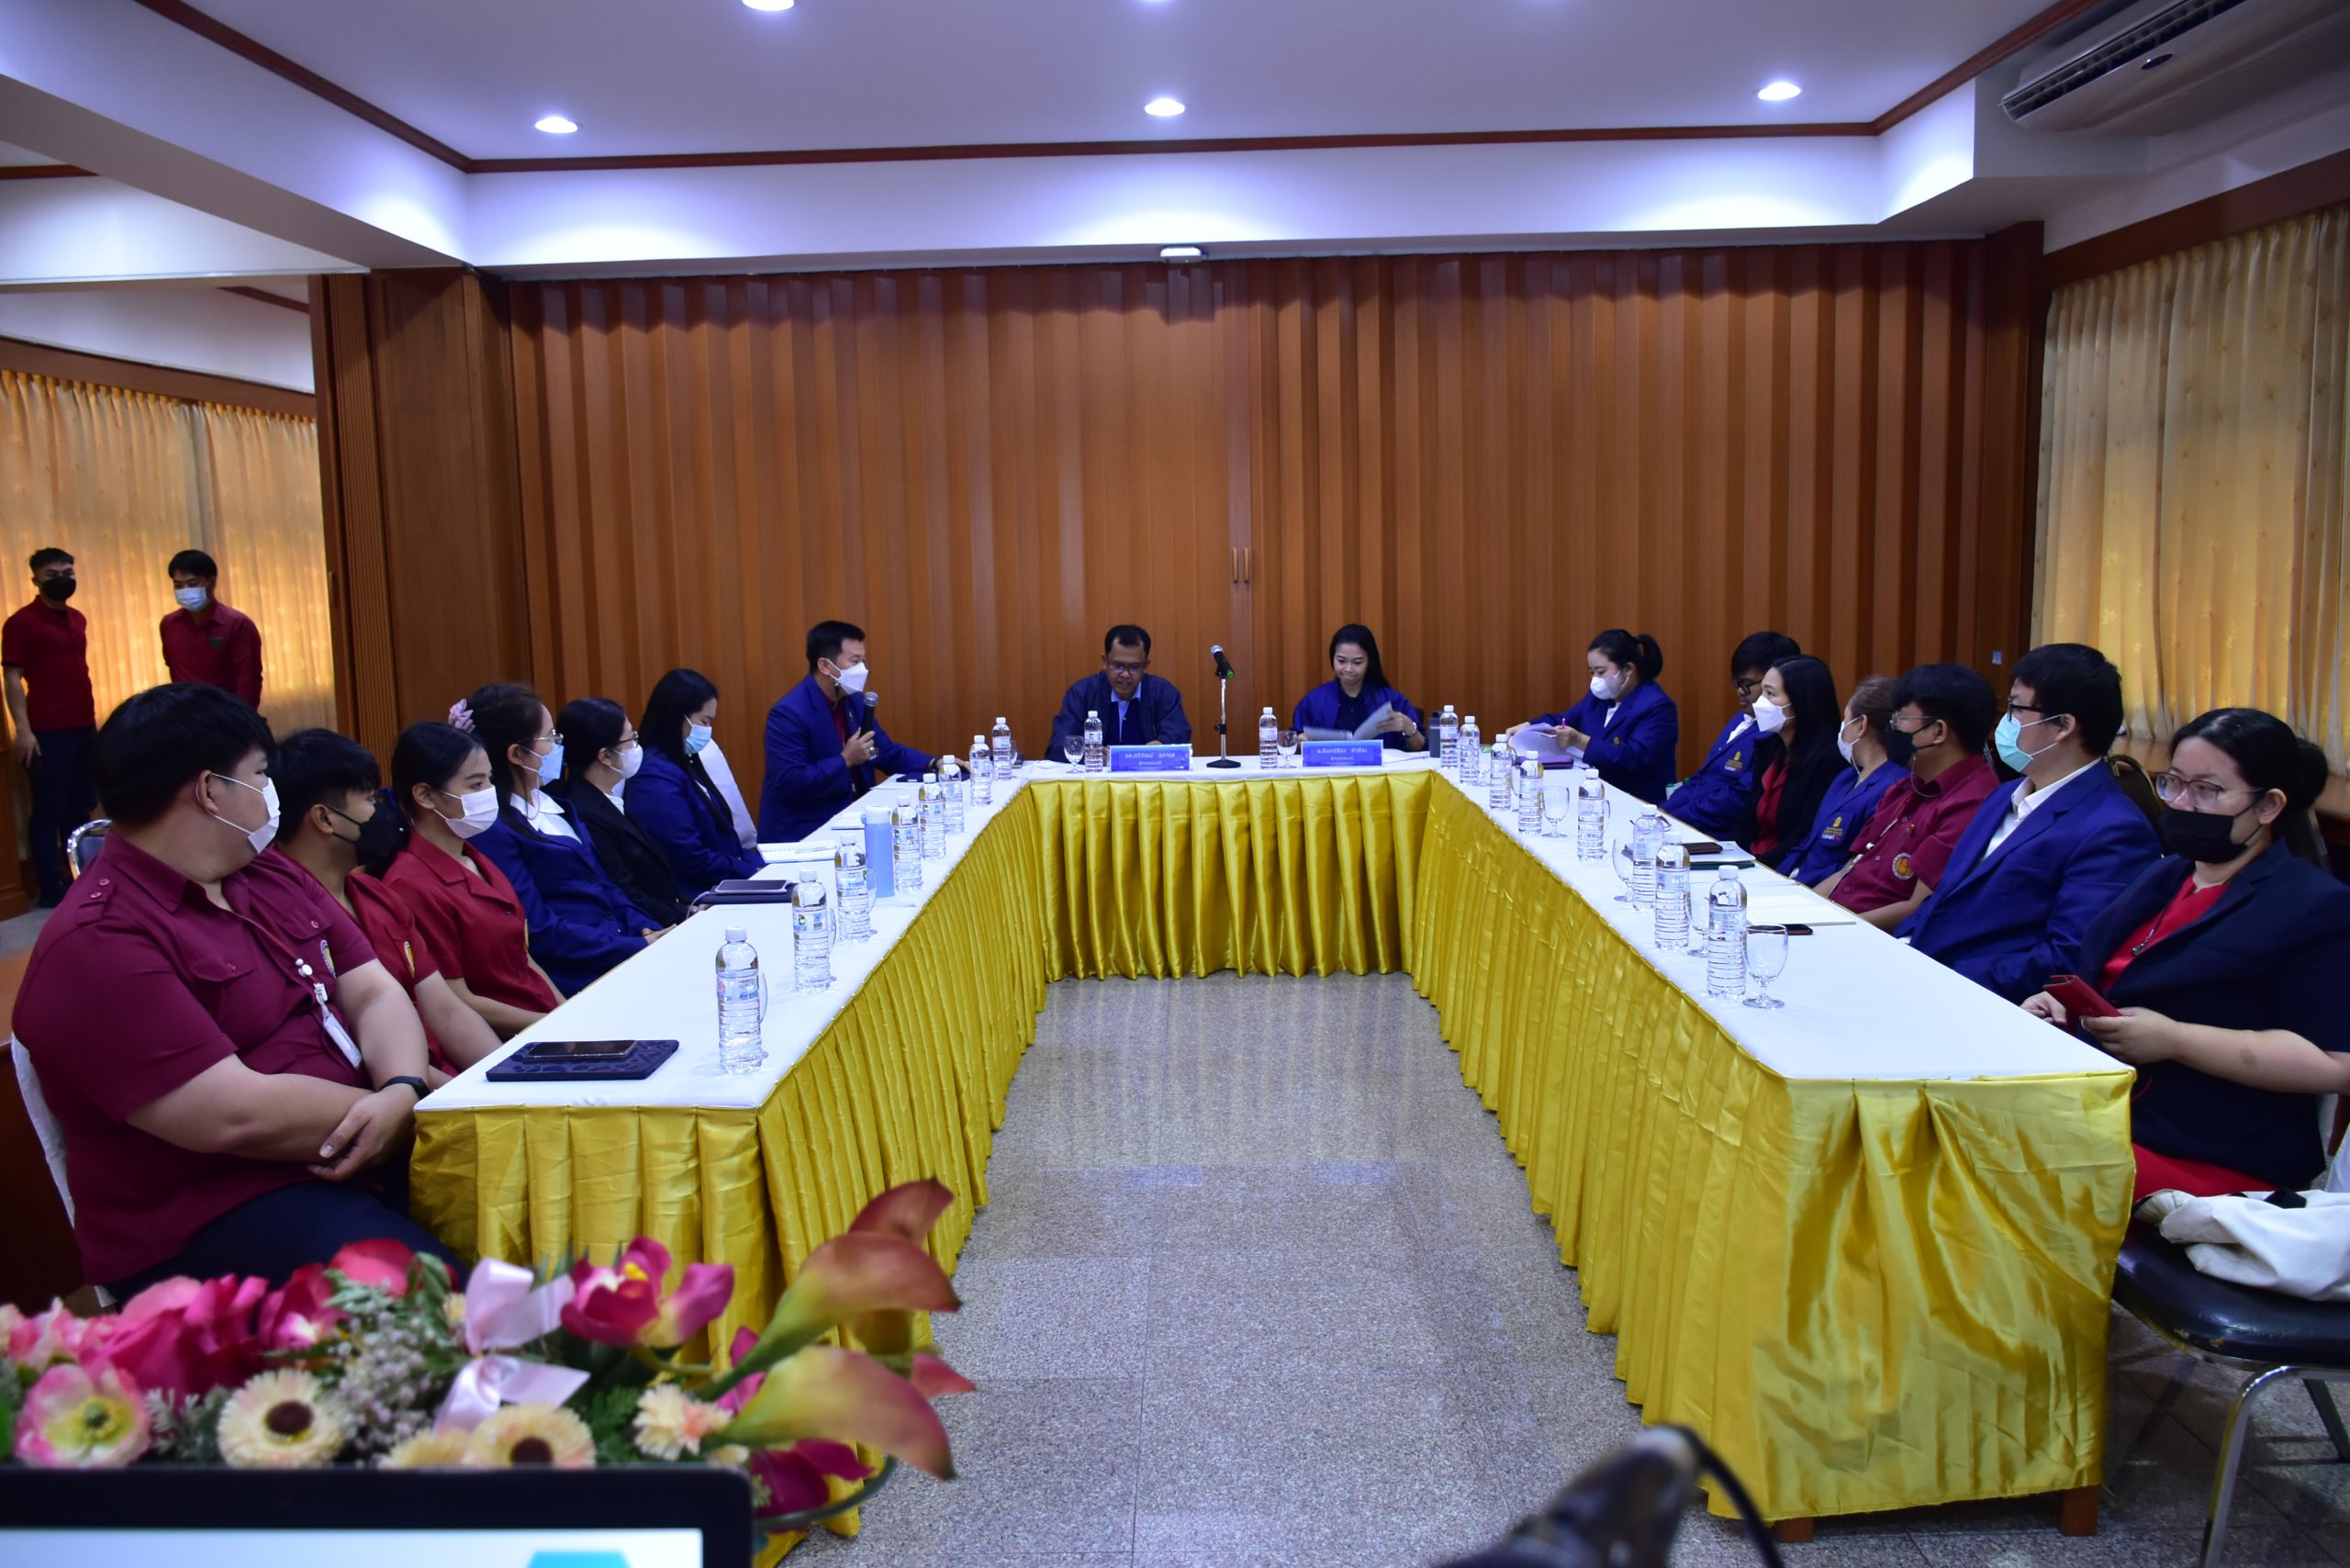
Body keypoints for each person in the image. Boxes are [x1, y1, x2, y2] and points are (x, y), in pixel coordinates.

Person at [11, 683, 452, 1294]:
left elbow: (373, 990)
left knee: (533, 1216)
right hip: (225, 1208)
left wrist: (404, 1087)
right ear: (210, 790)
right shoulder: (97, 941)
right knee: (437, 1298)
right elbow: (231, 1115)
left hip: (368, 1136)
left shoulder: (266, 871)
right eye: (261, 775)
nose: (273, 792)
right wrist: (401, 1105)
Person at [2023, 709, 2350, 1198]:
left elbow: (2336, 1063)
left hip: (2206, 1142)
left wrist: (2176, 1040)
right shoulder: (2167, 873)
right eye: (2172, 783)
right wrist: (2066, 1006)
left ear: (2268, 805)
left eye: (2206, 791)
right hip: (2104, 1103)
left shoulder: (2314, 905)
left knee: (2004, 1160)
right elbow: (2115, 975)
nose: (2179, 803)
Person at [1898, 644, 2161, 1002]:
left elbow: (2066, 958)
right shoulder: (2002, 796)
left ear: (2063, 726)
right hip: (1919, 971)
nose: (2004, 722)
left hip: (1983, 998)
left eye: (2016, 708)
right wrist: (1902, 945)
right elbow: (1945, 897)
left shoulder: (2114, 830)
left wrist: (1941, 978)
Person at [269, 728, 504, 1083]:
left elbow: (445, 1011)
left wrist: (502, 1078)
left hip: (442, 1081)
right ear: (325, 819)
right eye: (371, 800)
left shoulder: (376, 895)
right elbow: (360, 1044)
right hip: (396, 1089)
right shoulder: (279, 913)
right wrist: (456, 1097)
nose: (384, 813)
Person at [461, 684, 658, 996]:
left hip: (622, 947)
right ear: (517, 754)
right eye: (550, 737)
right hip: (577, 971)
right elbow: (539, 928)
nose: (558, 745)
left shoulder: (560, 807)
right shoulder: (495, 829)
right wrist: (633, 945)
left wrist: (645, 927)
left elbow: (605, 885)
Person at [377, 721, 563, 1037]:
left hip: (542, 1020)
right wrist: (553, 1024)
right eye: (476, 785)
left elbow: (524, 959)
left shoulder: (475, 858)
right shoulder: (410, 885)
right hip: (503, 1039)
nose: (490, 792)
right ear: (425, 795)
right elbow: (455, 1001)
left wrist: (566, 1010)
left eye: (490, 780)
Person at [1819, 664, 1999, 930]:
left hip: (1873, 937)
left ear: (1938, 731)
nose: (1892, 729)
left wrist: (1830, 929)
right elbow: (1851, 869)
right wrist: (1802, 911)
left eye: (1901, 720)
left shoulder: (1972, 801)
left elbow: (1918, 907)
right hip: (1839, 920)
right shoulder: (1908, 784)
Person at [758, 621, 934, 843]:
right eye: (855, 661)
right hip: (806, 831)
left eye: (863, 661)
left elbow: (885, 751)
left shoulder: (855, 701)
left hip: (853, 819)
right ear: (825, 666)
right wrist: (845, 760)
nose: (863, 670)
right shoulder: (789, 713)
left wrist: (934, 764)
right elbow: (790, 781)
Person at [3, 548, 98, 906]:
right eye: (52, 575)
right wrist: (23, 730)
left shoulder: (77, 618)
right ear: (36, 580)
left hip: (83, 724)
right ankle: (50, 888)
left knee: (81, 805)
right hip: (48, 730)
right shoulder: (21, 623)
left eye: (67, 573)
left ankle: (81, 877)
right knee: (49, 809)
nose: (62, 580)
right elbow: (12, 678)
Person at [547, 697, 691, 927]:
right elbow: (627, 892)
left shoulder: (607, 798)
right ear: (605, 756)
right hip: (649, 928)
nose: (636, 746)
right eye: (631, 739)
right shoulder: (585, 812)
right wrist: (685, 916)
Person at [629, 668, 765, 899]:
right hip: (698, 895)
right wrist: (751, 872)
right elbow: (687, 854)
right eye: (704, 721)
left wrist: (761, 866)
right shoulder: (653, 776)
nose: (708, 730)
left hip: (722, 879)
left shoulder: (685, 760)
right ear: (677, 717)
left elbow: (726, 843)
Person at [1512, 630, 1679, 804]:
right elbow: (1564, 720)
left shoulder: (1657, 706)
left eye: (1601, 672)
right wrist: (1529, 725)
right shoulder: (1599, 698)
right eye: (1592, 672)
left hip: (1637, 800)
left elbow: (1632, 758)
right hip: (1595, 793)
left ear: (1628, 669)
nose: (1595, 680)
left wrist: (1580, 740)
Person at [1666, 632, 1803, 840]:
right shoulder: (1739, 720)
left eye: (1747, 685)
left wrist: (1677, 818)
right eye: (1737, 683)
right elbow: (1701, 777)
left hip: (1719, 836)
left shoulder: (1775, 735)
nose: (1740, 692)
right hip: (1687, 824)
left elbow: (1739, 798)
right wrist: (1663, 813)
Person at [1779, 676, 1905, 886]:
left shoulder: (1894, 787)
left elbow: (1855, 866)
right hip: (1791, 880)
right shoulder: (1845, 778)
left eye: (1845, 719)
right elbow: (1809, 843)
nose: (1842, 727)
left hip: (1823, 893)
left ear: (1861, 725)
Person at [1741, 655, 1844, 873]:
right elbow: (1747, 820)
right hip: (1751, 860)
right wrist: (1728, 856)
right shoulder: (1769, 748)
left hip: (1782, 869)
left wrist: (1754, 867)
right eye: (1762, 691)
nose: (1760, 701)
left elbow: (1803, 835)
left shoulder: (1830, 761)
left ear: (1801, 702)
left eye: (1770, 694)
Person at [1049, 625, 1192, 754]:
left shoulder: (1163, 692)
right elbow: (1060, 744)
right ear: (1105, 662)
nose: (1125, 674)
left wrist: (1162, 744)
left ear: (1145, 665)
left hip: (1148, 772)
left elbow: (1179, 735)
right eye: (1118, 666)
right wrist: (1087, 754)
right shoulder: (1082, 693)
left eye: (1134, 667)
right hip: (1097, 773)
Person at [1292, 624, 1426, 750]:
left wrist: (1410, 728)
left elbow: (1420, 748)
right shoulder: (1312, 702)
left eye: (1357, 662)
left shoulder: (1393, 701)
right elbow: (1293, 745)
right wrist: (1298, 742)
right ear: (1332, 658)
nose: (1348, 669)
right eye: (1341, 661)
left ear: (1369, 661)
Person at [159, 548, 263, 709]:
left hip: (225, 715)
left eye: (192, 584)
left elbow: (248, 682)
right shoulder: (169, 624)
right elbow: (174, 671)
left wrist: (241, 718)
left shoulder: (237, 624)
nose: (185, 590)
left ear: (212, 582)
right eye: (178, 585)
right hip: (185, 714)